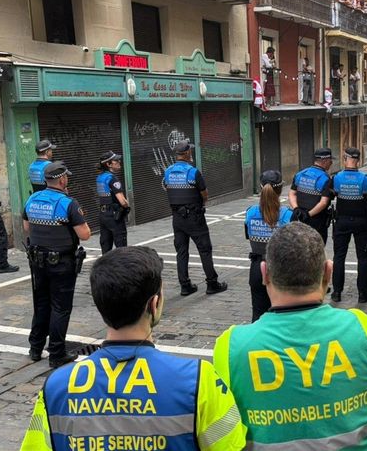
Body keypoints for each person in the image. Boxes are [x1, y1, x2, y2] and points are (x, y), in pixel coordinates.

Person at [20, 246, 247, 450]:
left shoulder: (56, 387)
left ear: (100, 305)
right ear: (154, 304)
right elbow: (232, 445)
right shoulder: (199, 380)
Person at [213, 222, 367, 449]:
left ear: (264, 274)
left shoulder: (231, 347)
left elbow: (222, 437)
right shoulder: (363, 328)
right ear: (328, 272)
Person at [23, 161, 90, 368]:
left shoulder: (32, 198)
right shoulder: (67, 203)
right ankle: (57, 353)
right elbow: (85, 234)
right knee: (60, 308)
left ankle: (35, 348)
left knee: (41, 304)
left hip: (37, 262)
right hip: (61, 263)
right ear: (62, 179)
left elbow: (26, 228)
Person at [163, 141, 228, 296]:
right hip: (194, 217)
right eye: (190, 151)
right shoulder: (193, 172)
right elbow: (204, 194)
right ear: (186, 154)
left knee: (181, 251)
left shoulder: (168, 171)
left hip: (177, 218)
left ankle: (185, 285)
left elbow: (166, 187)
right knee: (205, 250)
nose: (191, 153)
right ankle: (212, 283)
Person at [244, 170, 293, 321]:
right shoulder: (288, 215)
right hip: (281, 270)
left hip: (257, 269)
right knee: (283, 318)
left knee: (258, 316)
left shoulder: (250, 212)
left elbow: (248, 235)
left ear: (260, 187)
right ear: (280, 189)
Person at [331, 147, 367, 304]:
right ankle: (363, 293)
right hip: (361, 222)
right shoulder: (365, 178)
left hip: (342, 221)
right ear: (358, 160)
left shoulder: (336, 178)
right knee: (363, 258)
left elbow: (334, 193)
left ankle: (337, 292)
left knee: (339, 257)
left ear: (345, 158)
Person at [289, 148, 335, 244]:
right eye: (330, 160)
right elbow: (323, 202)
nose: (331, 163)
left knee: (297, 247)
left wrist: (296, 208)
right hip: (316, 220)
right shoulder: (325, 179)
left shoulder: (300, 174)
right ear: (325, 161)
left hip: (297, 217)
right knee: (316, 250)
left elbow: (292, 193)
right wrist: (308, 215)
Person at [96, 150, 130, 254]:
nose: (119, 161)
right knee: (121, 248)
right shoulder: (112, 178)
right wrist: (127, 205)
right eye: (116, 161)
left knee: (106, 247)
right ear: (108, 164)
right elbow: (122, 201)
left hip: (103, 215)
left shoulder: (100, 177)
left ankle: (104, 268)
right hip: (114, 215)